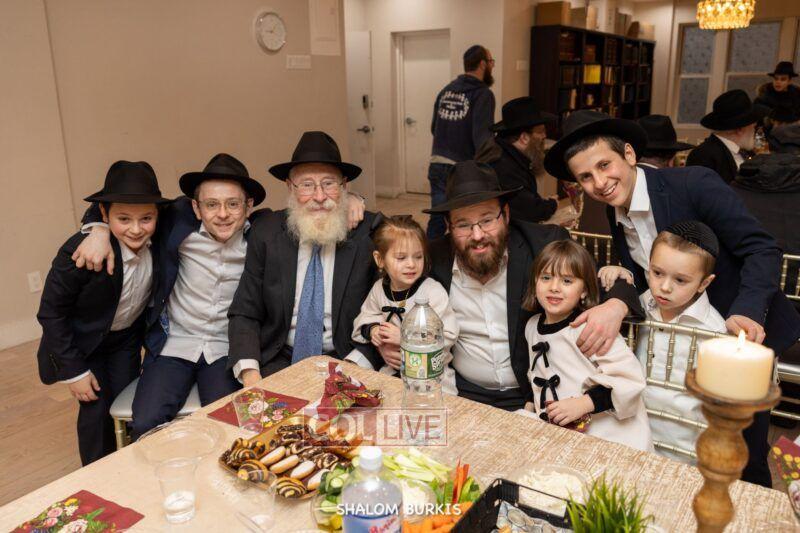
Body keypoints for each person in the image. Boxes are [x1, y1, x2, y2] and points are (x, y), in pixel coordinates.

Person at [543, 109, 800, 487]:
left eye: (604, 165)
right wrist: (619, 297)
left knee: (741, 452)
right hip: (681, 339)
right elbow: (647, 274)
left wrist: (746, 313)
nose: (599, 183)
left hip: (738, 334)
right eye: (585, 177)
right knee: (684, 437)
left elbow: (761, 249)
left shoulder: (695, 183)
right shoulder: (616, 211)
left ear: (629, 154)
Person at [421, 160, 643, 411]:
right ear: (448, 226)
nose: (478, 235)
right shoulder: (434, 259)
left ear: (505, 214)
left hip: (532, 396)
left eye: (487, 220)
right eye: (463, 224)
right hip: (462, 392)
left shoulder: (543, 244)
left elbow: (604, 282)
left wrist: (616, 306)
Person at [36, 161, 169, 464]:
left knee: (126, 404)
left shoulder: (159, 239)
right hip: (84, 344)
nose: (136, 229)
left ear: (157, 215)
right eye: (123, 219)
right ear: (105, 214)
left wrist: (99, 225)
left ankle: (126, 466)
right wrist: (74, 371)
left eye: (146, 218)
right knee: (95, 411)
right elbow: (51, 314)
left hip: (125, 341)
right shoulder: (82, 253)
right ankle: (96, 474)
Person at [228, 131, 384, 386]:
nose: (319, 197)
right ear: (290, 187)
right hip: (279, 357)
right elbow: (245, 311)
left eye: (329, 184)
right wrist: (250, 375)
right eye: (307, 185)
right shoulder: (266, 232)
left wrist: (354, 367)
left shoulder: (370, 233)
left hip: (347, 358)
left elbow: (387, 312)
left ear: (344, 186)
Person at [600, 222, 726, 463]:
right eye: (657, 273)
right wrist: (619, 280)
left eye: (680, 280)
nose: (664, 287)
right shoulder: (640, 302)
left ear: (704, 283)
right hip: (629, 432)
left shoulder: (714, 332)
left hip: (681, 446)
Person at [521, 240, 651, 452]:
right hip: (563, 435)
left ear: (584, 290)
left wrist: (584, 404)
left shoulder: (593, 327)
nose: (554, 287)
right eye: (545, 278)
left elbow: (630, 380)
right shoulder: (532, 326)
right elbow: (537, 374)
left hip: (610, 435)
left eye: (567, 281)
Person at [352, 215, 458, 393]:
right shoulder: (379, 289)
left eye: (418, 257)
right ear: (380, 259)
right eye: (401, 258)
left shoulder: (432, 291)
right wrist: (373, 330)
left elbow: (448, 335)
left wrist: (405, 338)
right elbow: (366, 316)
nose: (411, 264)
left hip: (430, 376)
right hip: (392, 372)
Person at [427, 45, 496, 239]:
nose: (492, 66)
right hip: (462, 170)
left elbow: (434, 127)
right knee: (465, 220)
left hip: (437, 163)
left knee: (438, 217)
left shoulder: (446, 91)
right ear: (482, 64)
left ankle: (429, 254)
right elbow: (482, 138)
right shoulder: (483, 94)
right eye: (491, 62)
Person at [475, 96, 561, 223]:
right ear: (524, 138)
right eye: (541, 132)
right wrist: (553, 204)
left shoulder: (506, 153)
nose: (545, 136)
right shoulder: (502, 165)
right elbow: (530, 211)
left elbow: (525, 200)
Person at [685, 90, 765, 183]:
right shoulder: (703, 156)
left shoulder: (747, 153)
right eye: (753, 126)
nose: (755, 129)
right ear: (740, 129)